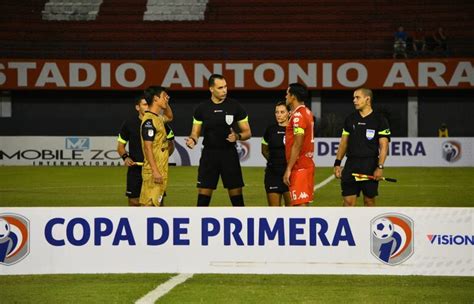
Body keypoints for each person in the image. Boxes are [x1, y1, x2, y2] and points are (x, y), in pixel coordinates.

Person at [185, 74, 252, 207]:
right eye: (220, 88)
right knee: (204, 194)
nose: (224, 90)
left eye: (225, 87)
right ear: (211, 89)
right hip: (209, 154)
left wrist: (237, 137)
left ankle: (243, 224)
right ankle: (199, 224)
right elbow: (195, 132)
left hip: (229, 154)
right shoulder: (201, 108)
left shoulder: (235, 106)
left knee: (236, 194)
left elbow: (248, 132)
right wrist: (193, 140)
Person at [333, 88, 391, 207]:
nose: (354, 100)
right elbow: (343, 143)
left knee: (369, 201)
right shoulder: (350, 119)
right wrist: (337, 163)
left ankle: (367, 226)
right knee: (348, 202)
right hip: (351, 165)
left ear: (367, 99)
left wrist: (380, 167)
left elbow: (384, 146)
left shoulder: (380, 120)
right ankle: (349, 226)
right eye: (353, 98)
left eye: (357, 97)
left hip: (369, 165)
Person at [117, 95, 175, 207]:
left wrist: (163, 157)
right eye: (144, 105)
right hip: (136, 169)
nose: (147, 107)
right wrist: (125, 157)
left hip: (155, 169)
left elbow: (170, 143)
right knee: (134, 202)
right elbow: (120, 146)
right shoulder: (129, 124)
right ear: (137, 107)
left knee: (157, 202)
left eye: (148, 104)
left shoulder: (159, 121)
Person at [139, 86, 173, 207]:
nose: (166, 98)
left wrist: (166, 103)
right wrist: (155, 171)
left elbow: (169, 117)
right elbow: (147, 148)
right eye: (164, 96)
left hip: (160, 169)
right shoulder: (149, 121)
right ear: (155, 98)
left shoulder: (157, 117)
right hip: (154, 171)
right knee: (149, 206)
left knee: (157, 205)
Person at [283, 83, 315, 206]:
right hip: (306, 164)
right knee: (300, 205)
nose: (286, 96)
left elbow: (298, 143)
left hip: (299, 166)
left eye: (287, 93)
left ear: (293, 97)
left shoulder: (298, 116)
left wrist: (289, 169)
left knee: (300, 207)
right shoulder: (306, 112)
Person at [261, 101, 291, 206]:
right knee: (273, 213)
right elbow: (264, 150)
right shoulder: (270, 130)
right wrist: (273, 161)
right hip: (272, 175)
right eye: (276, 112)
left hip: (290, 174)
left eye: (282, 112)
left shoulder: (294, 130)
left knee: (292, 214)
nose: (279, 115)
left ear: (289, 113)